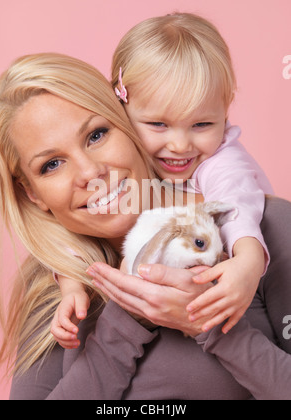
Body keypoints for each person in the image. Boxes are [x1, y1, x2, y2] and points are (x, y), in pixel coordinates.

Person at [0, 53, 291, 400]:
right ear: (32, 192)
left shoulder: (261, 229)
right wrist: (126, 320)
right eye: (52, 164)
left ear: (129, 125)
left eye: (96, 134)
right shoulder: (53, 285)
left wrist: (206, 321)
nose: (90, 173)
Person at [52, 12, 274, 344]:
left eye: (202, 125)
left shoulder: (221, 161)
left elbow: (235, 202)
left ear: (226, 110)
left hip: (232, 293)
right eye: (158, 124)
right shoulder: (124, 163)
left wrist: (248, 260)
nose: (180, 146)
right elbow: (76, 228)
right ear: (121, 108)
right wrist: (71, 284)